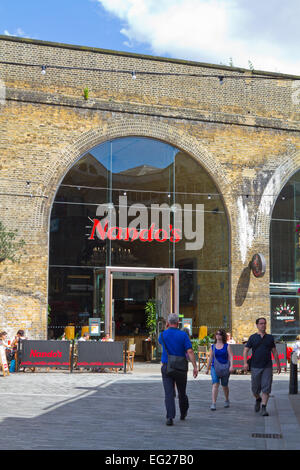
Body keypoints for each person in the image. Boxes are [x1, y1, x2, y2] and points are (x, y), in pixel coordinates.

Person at [159, 313, 198, 426]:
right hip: (180, 367)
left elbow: (162, 343)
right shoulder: (183, 335)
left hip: (167, 366)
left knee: (169, 393)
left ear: (167, 323)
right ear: (178, 323)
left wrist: (167, 328)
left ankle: (170, 417)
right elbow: (190, 351)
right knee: (182, 391)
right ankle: (183, 412)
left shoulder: (162, 335)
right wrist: (195, 367)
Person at [243, 317, 281, 417]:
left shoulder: (270, 338)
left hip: (267, 366)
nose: (263, 325)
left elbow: (274, 352)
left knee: (266, 387)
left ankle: (264, 407)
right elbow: (246, 350)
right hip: (255, 366)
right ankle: (258, 399)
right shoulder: (252, 337)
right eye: (261, 323)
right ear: (257, 325)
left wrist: (278, 364)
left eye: (264, 323)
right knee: (255, 389)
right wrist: (245, 363)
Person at [206, 329, 234, 410]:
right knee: (215, 384)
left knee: (225, 386)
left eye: (220, 334)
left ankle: (226, 399)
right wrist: (207, 368)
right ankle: (213, 403)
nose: (218, 335)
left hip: (225, 368)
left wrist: (231, 366)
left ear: (223, 336)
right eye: (217, 334)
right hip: (215, 367)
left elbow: (231, 356)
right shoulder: (213, 346)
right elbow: (210, 357)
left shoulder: (227, 346)